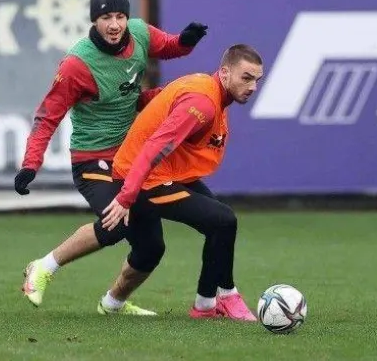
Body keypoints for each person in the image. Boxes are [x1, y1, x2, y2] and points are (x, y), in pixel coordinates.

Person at [16, 0, 208, 316]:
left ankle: (113, 304)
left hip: (131, 156)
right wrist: (30, 165)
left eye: (120, 16)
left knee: (151, 247)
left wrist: (185, 41)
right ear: (94, 20)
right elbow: (47, 118)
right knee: (114, 223)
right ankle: (43, 267)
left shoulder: (140, 33)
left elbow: (169, 46)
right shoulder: (77, 65)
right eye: (106, 18)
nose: (115, 24)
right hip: (93, 161)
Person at [99, 44, 262, 321]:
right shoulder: (203, 103)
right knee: (223, 219)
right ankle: (227, 295)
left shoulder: (209, 89)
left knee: (220, 224)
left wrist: (143, 101)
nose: (252, 87)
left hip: (162, 173)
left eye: (257, 80)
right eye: (246, 78)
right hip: (142, 179)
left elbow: (165, 96)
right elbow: (154, 146)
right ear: (224, 73)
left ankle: (205, 305)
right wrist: (126, 196)